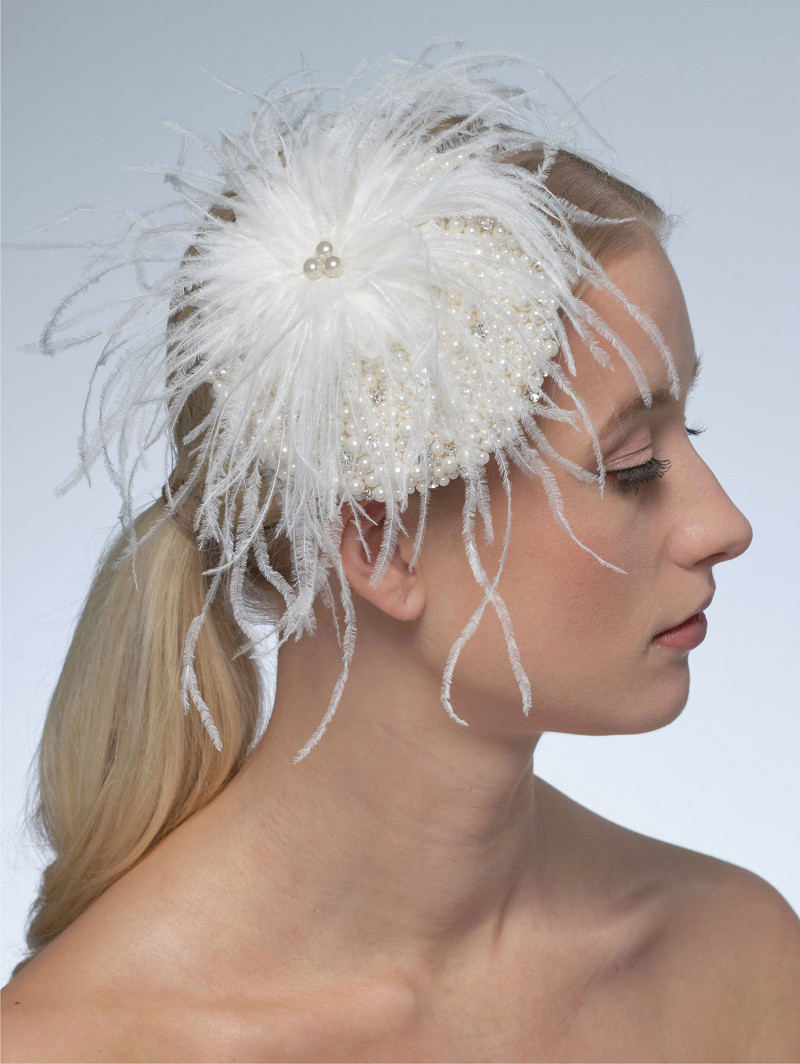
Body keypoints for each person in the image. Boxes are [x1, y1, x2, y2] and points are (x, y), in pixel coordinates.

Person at [3, 52, 799, 1063]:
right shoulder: (80, 1046)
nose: (723, 523)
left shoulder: (734, 964)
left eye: (691, 431)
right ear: (379, 543)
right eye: (633, 463)